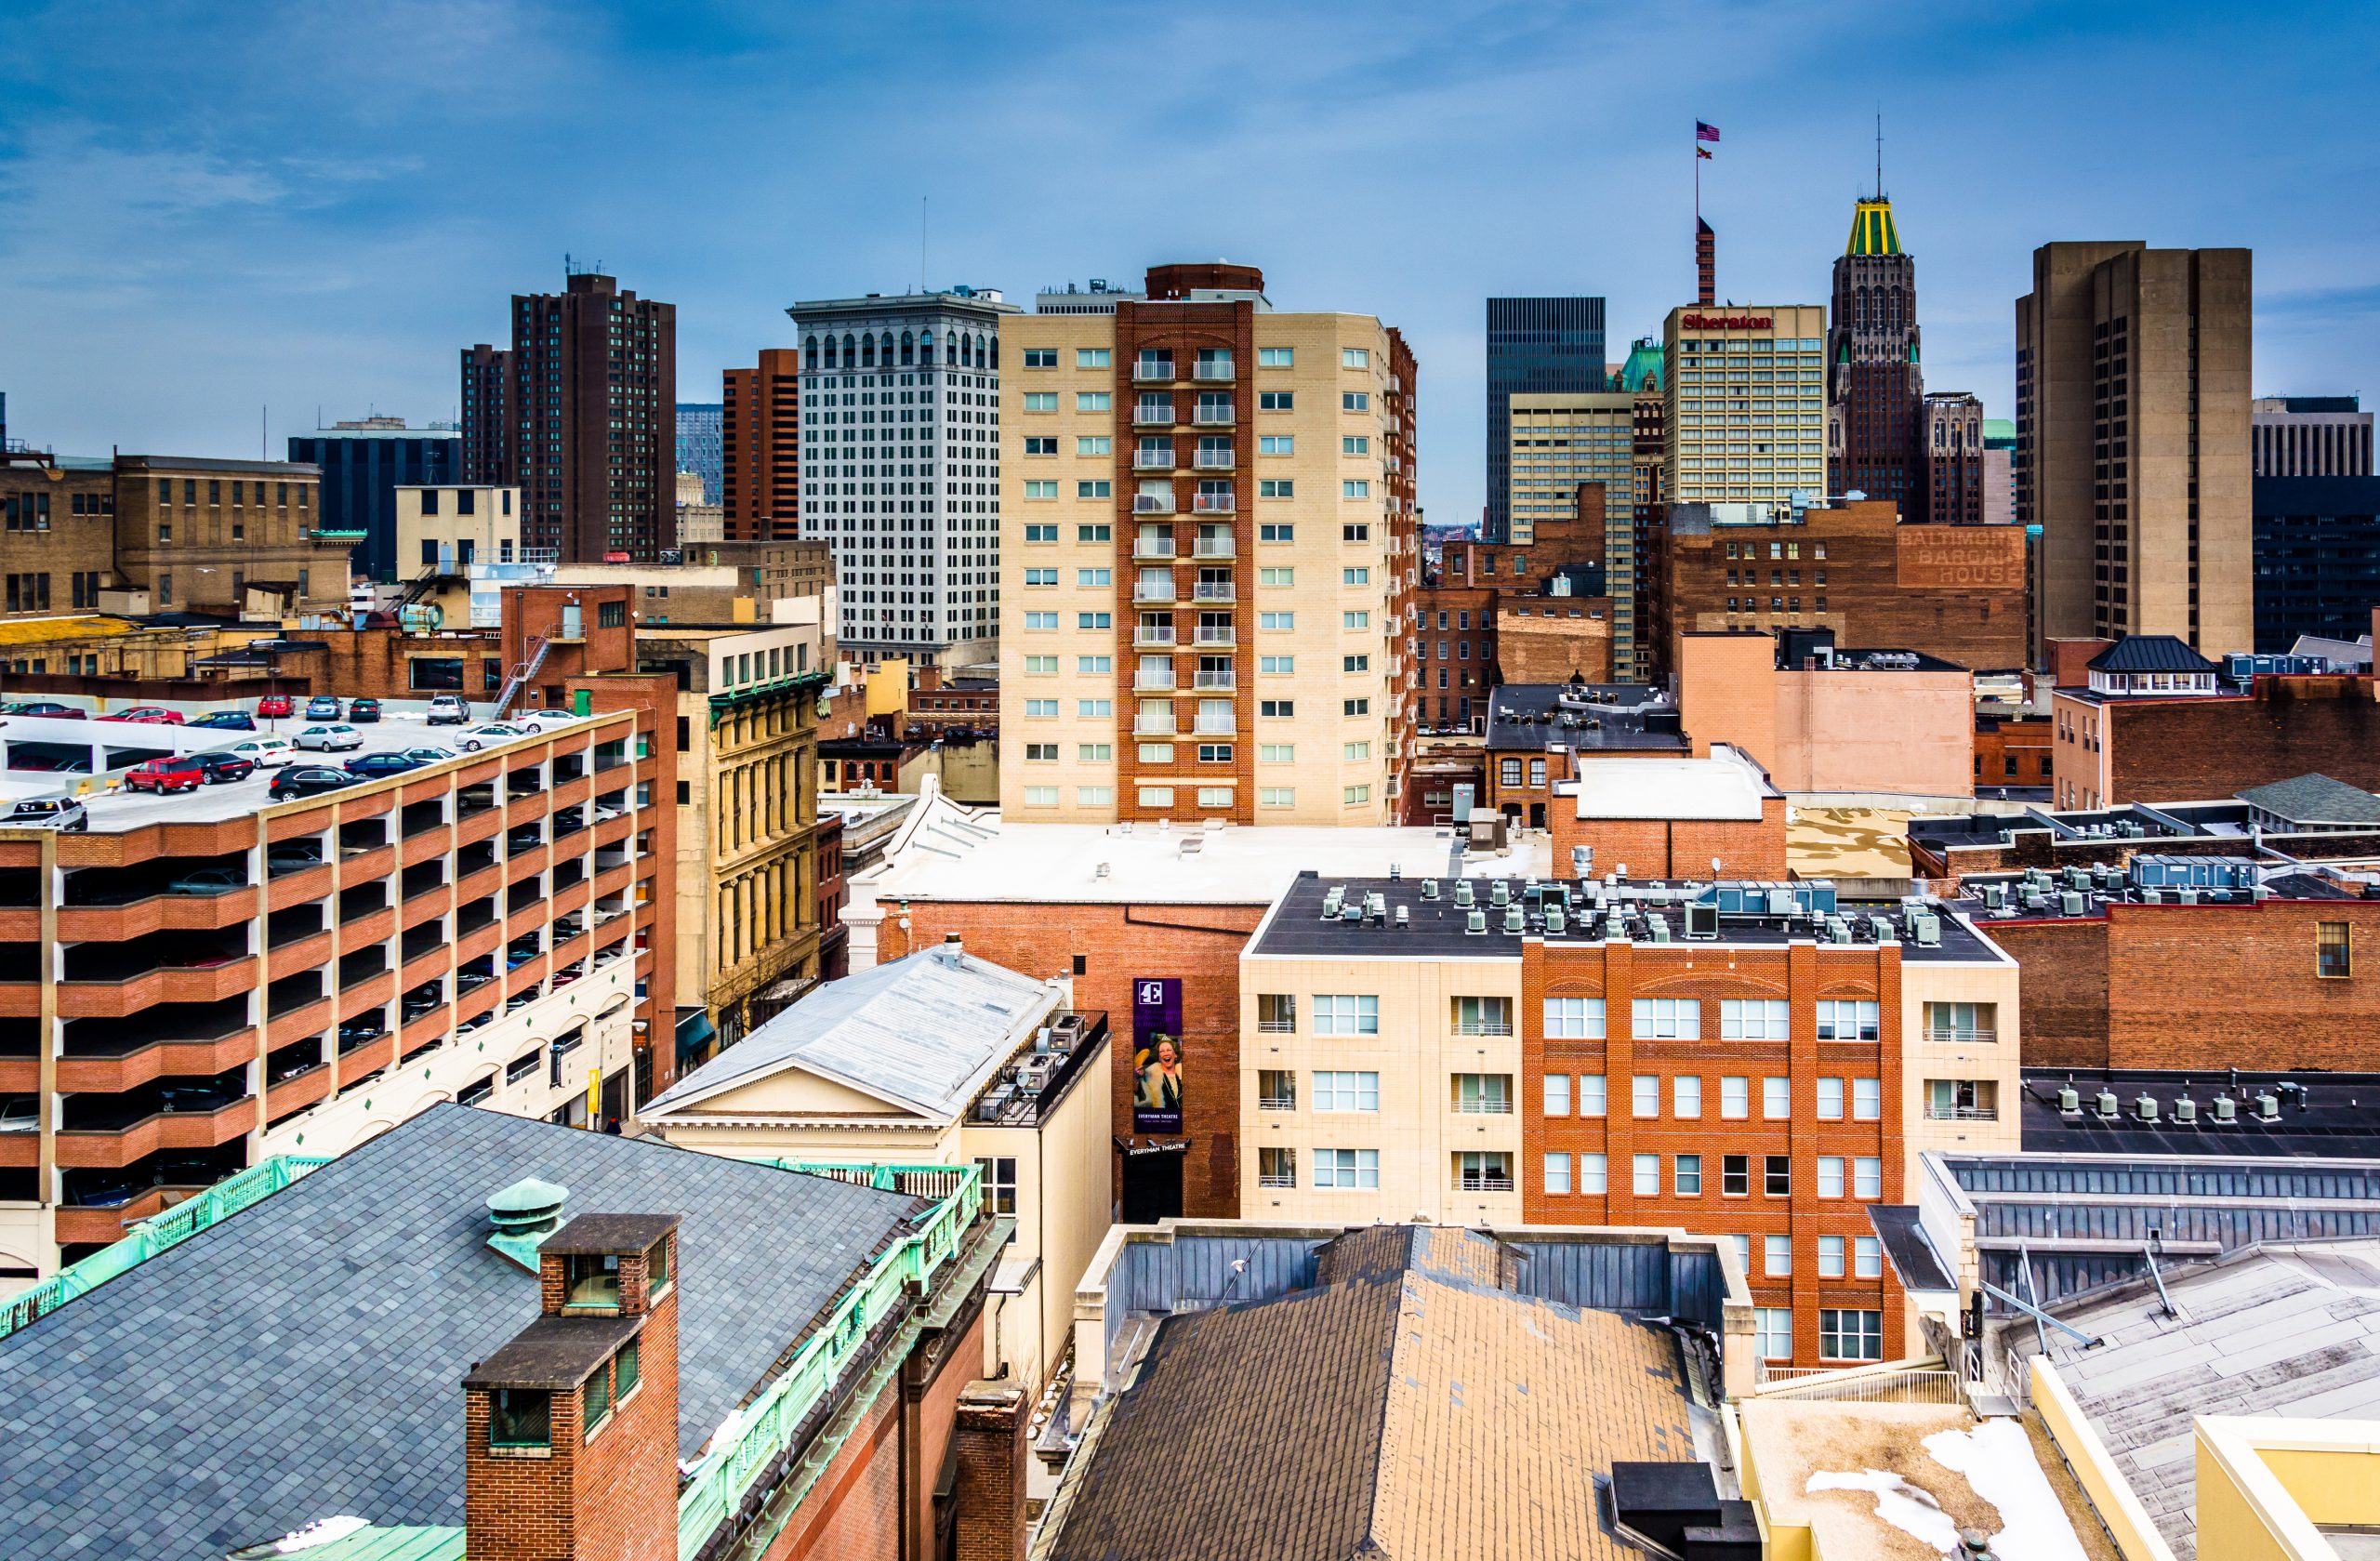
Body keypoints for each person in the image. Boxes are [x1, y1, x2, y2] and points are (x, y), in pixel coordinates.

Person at [1135, 1038, 1183, 1112]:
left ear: (1175, 1055)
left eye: (1169, 1050)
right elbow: (1139, 1097)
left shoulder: (1183, 1072)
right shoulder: (1150, 1075)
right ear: (1159, 1058)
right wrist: (1137, 1077)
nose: (1166, 1053)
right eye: (1162, 1051)